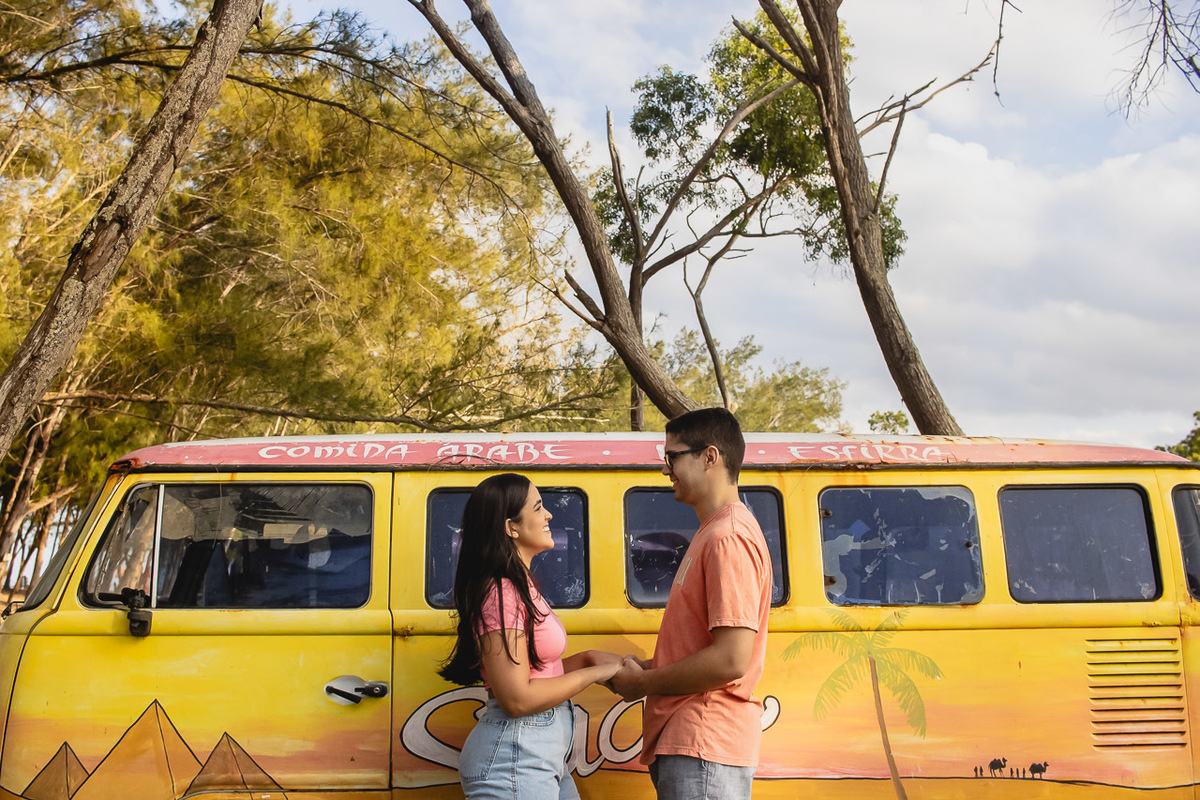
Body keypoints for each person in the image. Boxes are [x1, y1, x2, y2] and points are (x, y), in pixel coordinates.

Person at [610, 408, 772, 800]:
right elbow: (701, 649)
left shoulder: (726, 537)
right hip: (696, 745)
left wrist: (643, 683)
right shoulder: (713, 532)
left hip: (703, 742)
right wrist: (641, 669)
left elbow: (731, 659)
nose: (666, 469)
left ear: (710, 457)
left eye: (672, 456)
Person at [439, 473, 622, 799]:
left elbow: (536, 669)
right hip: (515, 758)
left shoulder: (518, 585)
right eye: (538, 508)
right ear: (511, 527)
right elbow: (517, 698)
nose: (549, 515)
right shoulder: (500, 593)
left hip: (536, 753)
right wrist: (593, 674)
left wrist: (588, 660)